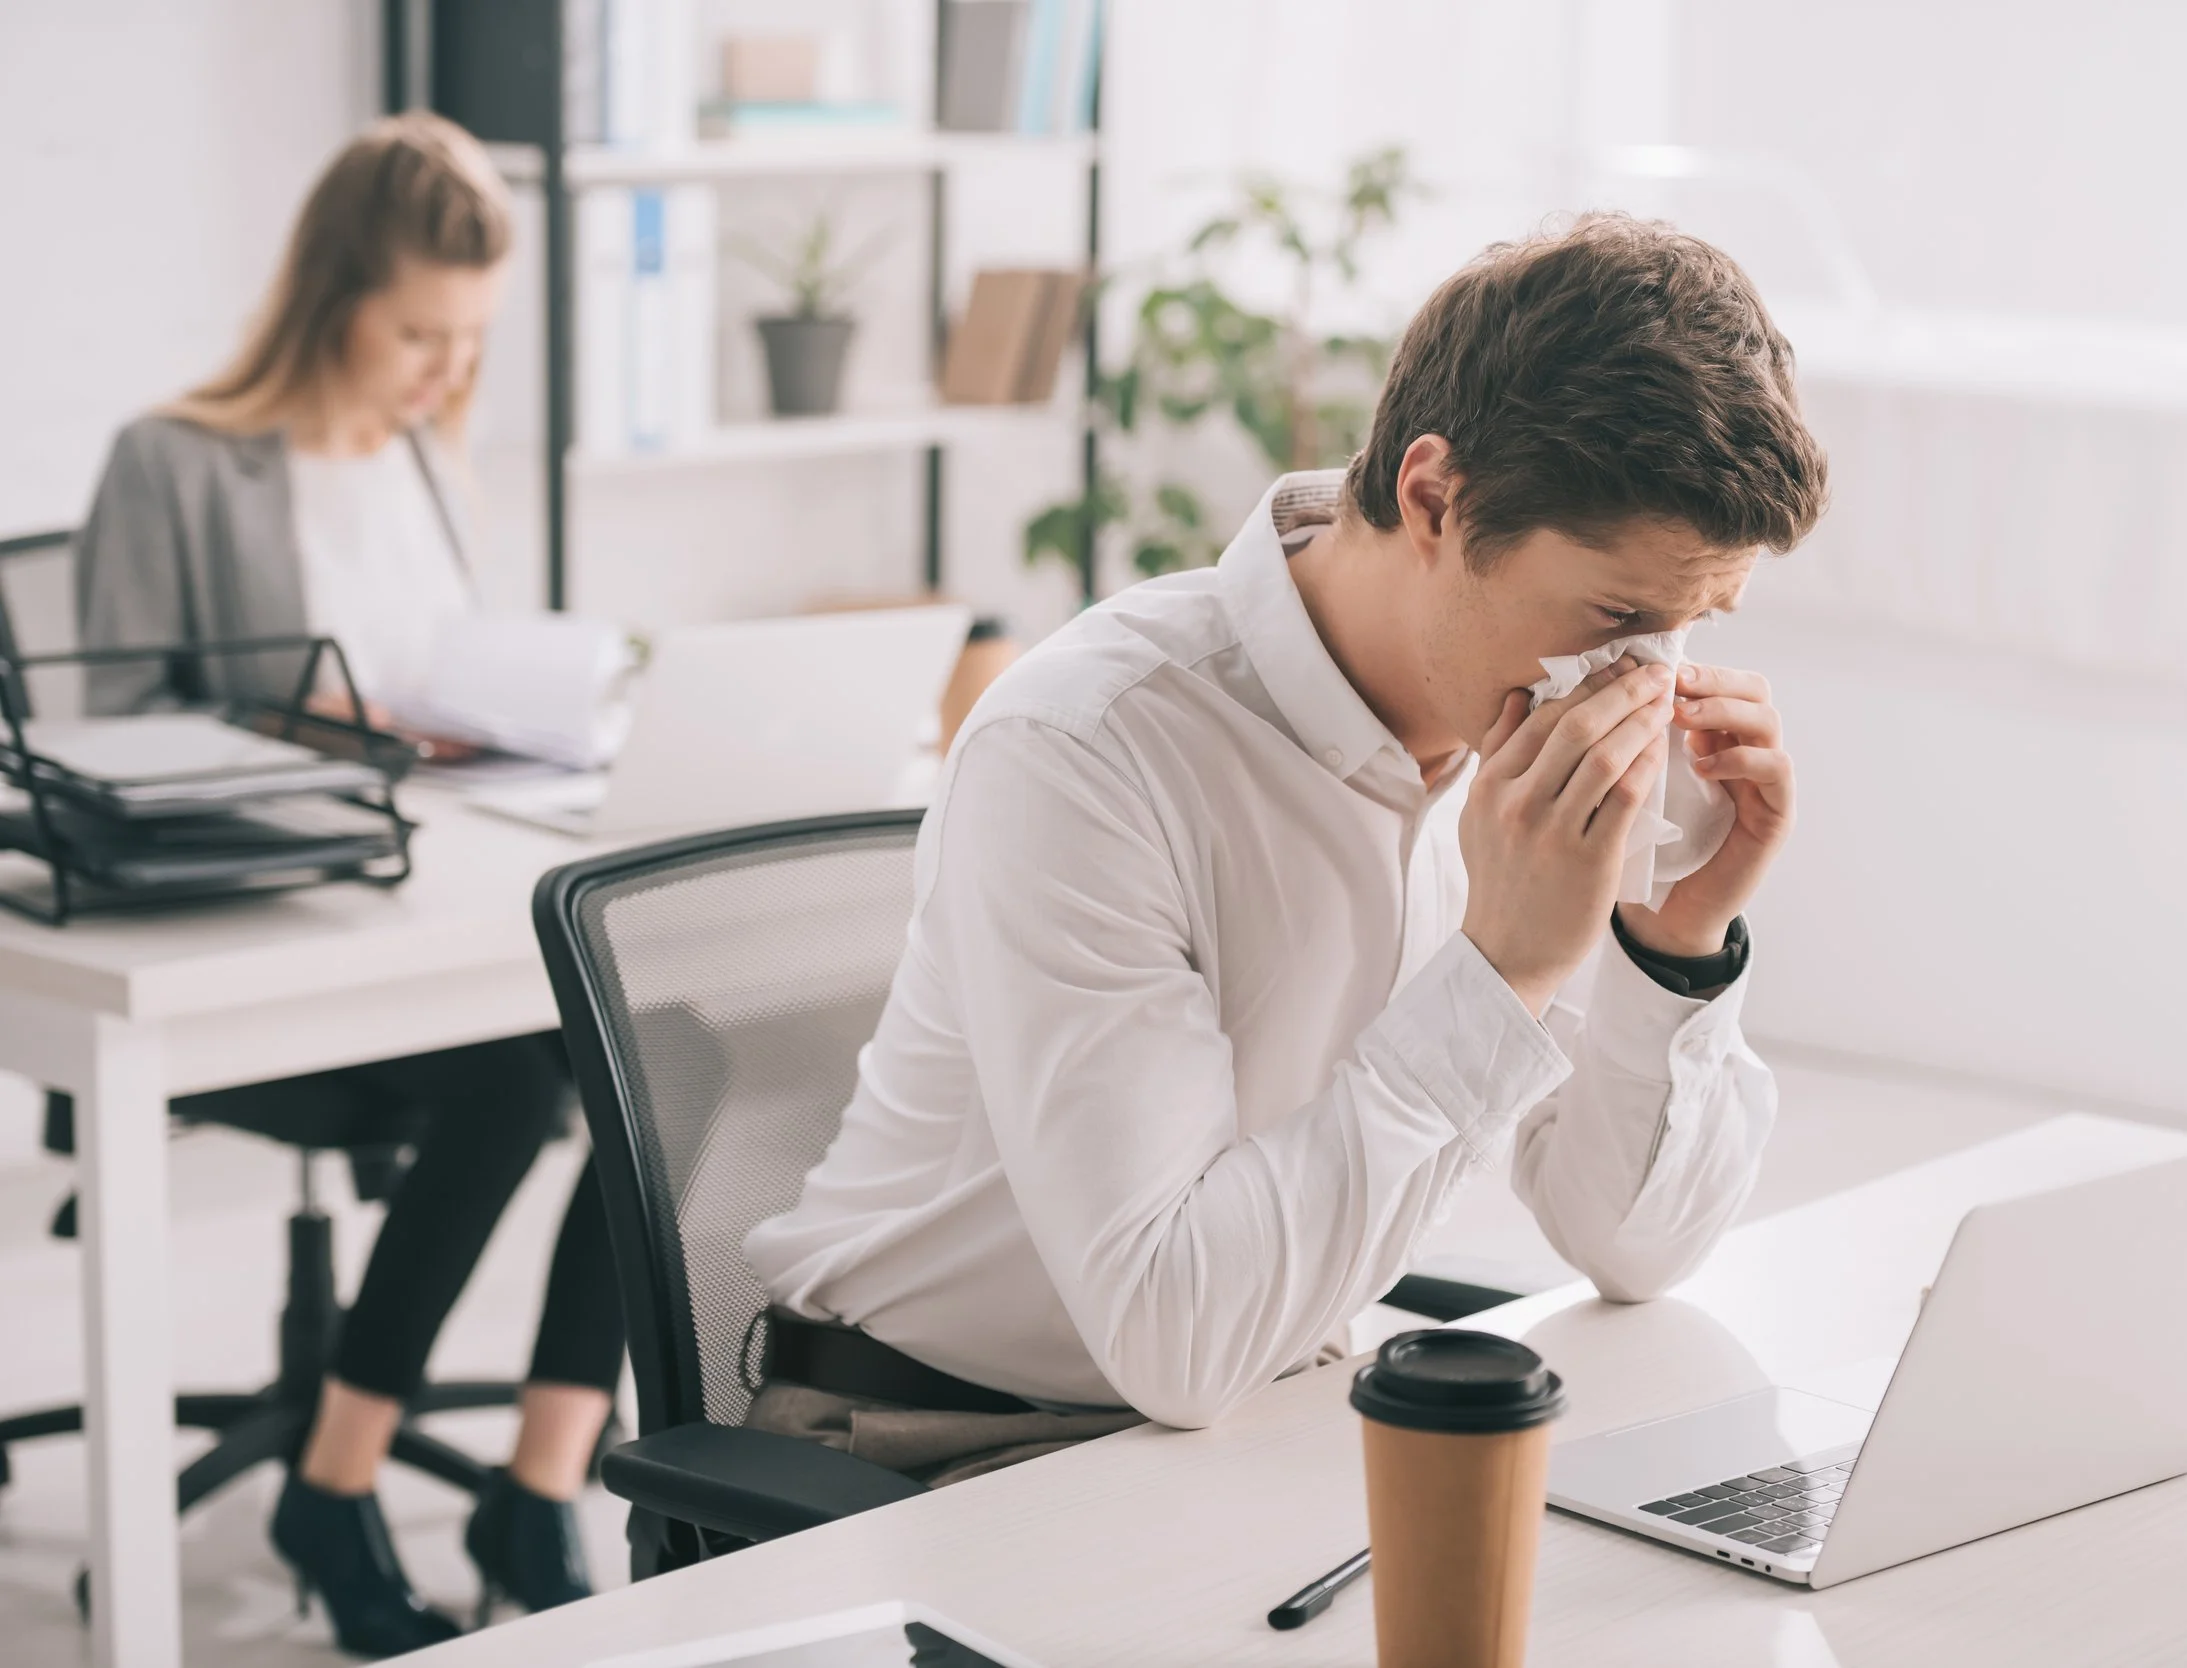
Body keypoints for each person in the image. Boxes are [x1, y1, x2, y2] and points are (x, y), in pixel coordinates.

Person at [740, 214, 1826, 1479]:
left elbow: (1631, 1245)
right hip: (939, 1448)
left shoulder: (1516, 740)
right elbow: (1174, 1340)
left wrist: (1677, 940)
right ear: (1433, 498)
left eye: (1694, 623)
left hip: (1271, 1410)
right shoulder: (1086, 749)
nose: (1644, 677)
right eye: (1618, 614)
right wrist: (1501, 973)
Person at [73, 114, 622, 1656]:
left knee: (662, 1066)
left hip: (431, 907)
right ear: (331, 299)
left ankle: (542, 1483)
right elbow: (102, 748)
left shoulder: (421, 455)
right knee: (514, 1093)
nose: (448, 372)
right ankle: (336, 1481)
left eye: (472, 339)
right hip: (261, 959)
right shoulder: (174, 464)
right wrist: (308, 737)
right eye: (419, 332)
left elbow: (444, 677)